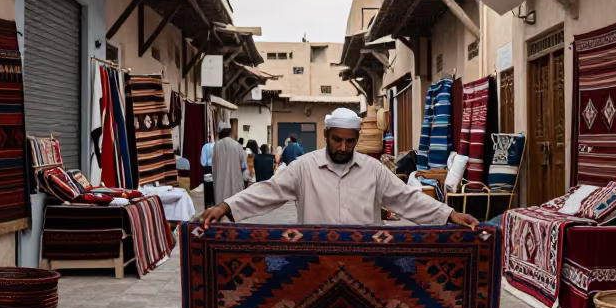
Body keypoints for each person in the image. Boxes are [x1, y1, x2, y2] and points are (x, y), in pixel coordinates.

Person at [201, 108, 477, 228]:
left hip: (367, 265)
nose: (343, 148)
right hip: (314, 265)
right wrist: (226, 207)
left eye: (350, 142)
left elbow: (407, 199)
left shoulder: (374, 170)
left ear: (357, 140)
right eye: (337, 140)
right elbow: (267, 192)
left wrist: (450, 214)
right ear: (326, 135)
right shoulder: (304, 168)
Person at [211, 123, 251, 205]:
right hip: (235, 182)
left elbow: (214, 165)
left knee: (221, 206)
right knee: (234, 206)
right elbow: (243, 165)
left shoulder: (216, 145)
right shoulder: (238, 145)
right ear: (230, 132)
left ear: (220, 133)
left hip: (220, 184)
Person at [199, 137, 215, 208]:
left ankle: (208, 208)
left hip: (207, 171)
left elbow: (203, 162)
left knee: (208, 194)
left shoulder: (205, 147)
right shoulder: (218, 146)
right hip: (216, 171)